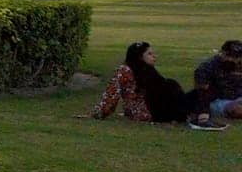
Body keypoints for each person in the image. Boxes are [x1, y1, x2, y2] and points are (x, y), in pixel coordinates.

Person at [93, 42, 226, 130]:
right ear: (139, 57)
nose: (154, 56)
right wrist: (99, 113)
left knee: (199, 91)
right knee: (172, 85)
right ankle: (200, 119)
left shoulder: (148, 70)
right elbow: (112, 94)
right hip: (146, 111)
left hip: (159, 107)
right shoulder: (125, 70)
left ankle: (201, 118)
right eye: (149, 54)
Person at [194, 39, 242, 122]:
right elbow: (201, 93)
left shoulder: (239, 65)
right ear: (222, 53)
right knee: (237, 109)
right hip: (219, 101)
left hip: (239, 97)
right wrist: (203, 113)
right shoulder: (207, 67)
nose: (234, 59)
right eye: (231, 56)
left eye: (237, 57)